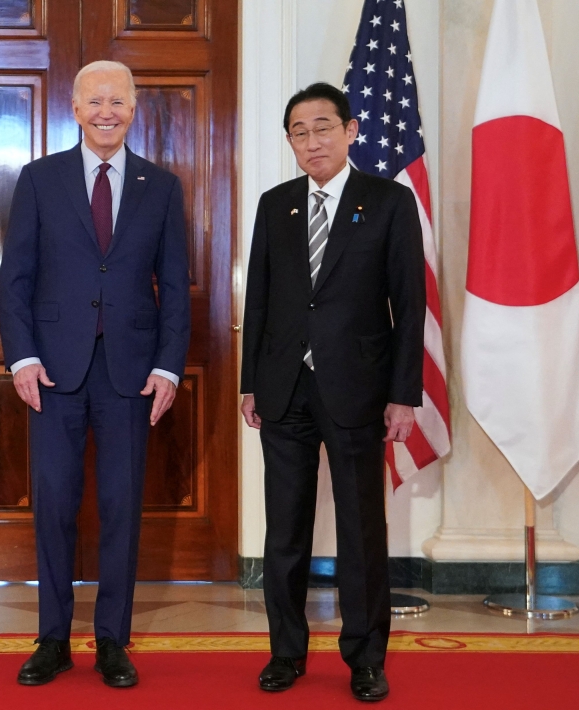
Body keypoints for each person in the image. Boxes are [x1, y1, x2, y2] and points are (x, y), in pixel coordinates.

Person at [0, 60, 190, 689]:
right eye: (95, 102)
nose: (107, 112)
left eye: (119, 102)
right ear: (74, 109)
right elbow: (16, 279)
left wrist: (168, 366)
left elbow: (176, 289)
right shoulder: (39, 179)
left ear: (135, 110)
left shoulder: (161, 186)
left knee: (120, 505)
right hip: (52, 371)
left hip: (130, 374)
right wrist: (22, 357)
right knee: (53, 504)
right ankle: (52, 638)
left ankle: (113, 638)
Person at [239, 82, 425, 702]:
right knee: (283, 531)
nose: (312, 140)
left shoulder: (389, 202)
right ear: (289, 142)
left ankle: (366, 656)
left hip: (359, 389)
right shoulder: (275, 205)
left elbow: (409, 304)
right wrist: (249, 385)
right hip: (283, 389)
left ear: (349, 131)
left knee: (361, 531)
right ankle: (286, 653)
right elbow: (259, 300)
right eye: (299, 131)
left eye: (323, 127)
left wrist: (404, 394)